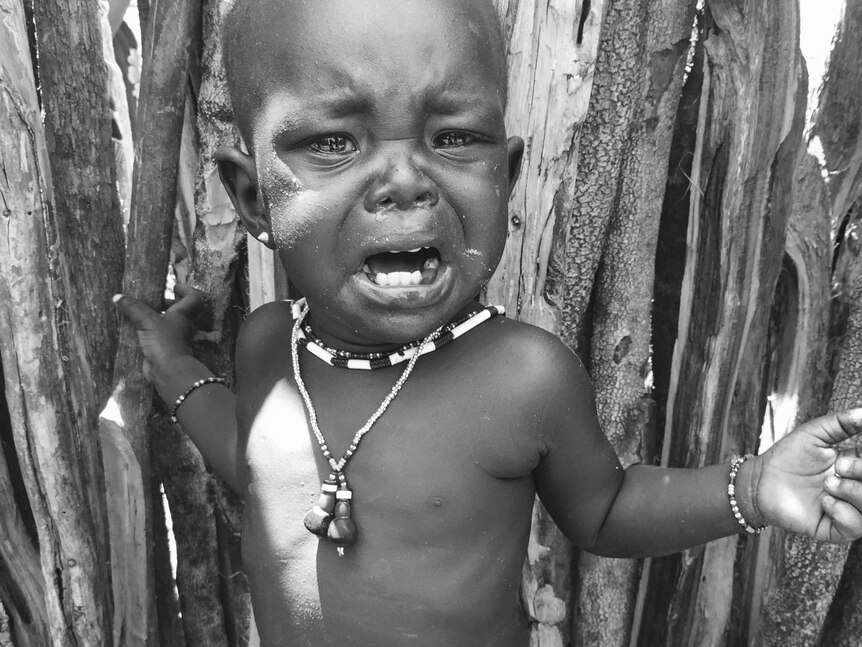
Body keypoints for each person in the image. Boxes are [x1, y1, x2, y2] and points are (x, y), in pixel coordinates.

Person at [114, 0, 862, 644]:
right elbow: (257, 463)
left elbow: (605, 508)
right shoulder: (268, 342)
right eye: (334, 142)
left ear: (503, 173)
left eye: (453, 138)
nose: (406, 181)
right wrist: (176, 367)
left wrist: (757, 485)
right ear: (251, 197)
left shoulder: (521, 375)